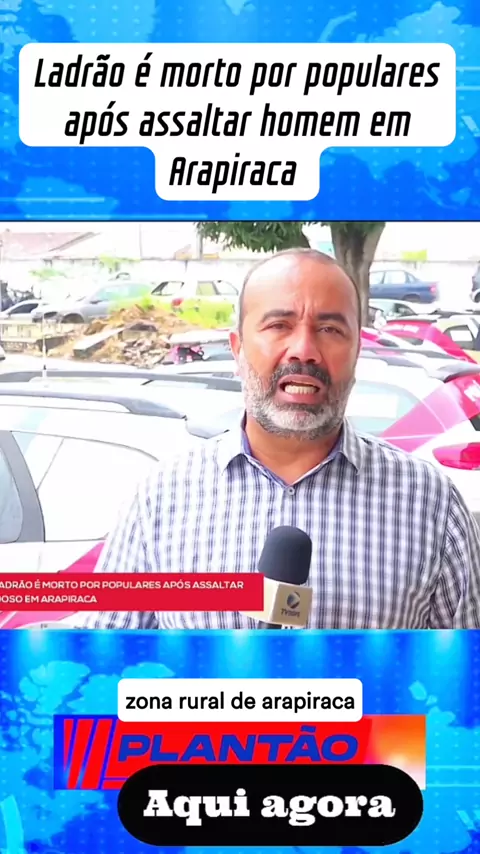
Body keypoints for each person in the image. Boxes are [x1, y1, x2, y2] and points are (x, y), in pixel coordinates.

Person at [76, 248, 480, 630]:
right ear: (237, 350)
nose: (304, 350)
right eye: (278, 326)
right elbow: (106, 663)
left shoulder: (432, 504)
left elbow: (464, 673)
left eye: (329, 329)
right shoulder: (160, 499)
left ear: (357, 351)